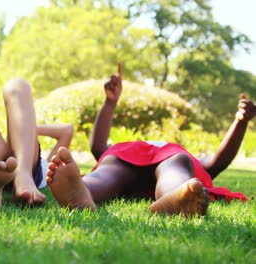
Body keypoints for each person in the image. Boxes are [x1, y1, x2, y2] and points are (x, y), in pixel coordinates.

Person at [46, 63, 254, 216]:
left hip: (144, 158)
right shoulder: (169, 152)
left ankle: (178, 197)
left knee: (173, 165)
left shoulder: (175, 154)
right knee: (112, 167)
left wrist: (240, 122)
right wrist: (110, 102)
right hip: (125, 158)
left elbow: (218, 160)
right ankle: (82, 190)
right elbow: (99, 147)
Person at [0, 78, 74, 208]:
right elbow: (67, 130)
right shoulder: (44, 164)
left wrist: (27, 127)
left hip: (24, 167)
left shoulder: (46, 168)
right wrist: (24, 127)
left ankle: (15, 175)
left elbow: (67, 131)